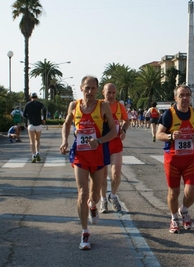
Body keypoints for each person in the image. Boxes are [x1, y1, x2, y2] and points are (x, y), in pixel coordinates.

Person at [59, 76, 116, 250]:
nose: (89, 92)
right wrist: (64, 140)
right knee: (82, 193)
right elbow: (67, 124)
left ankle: (93, 205)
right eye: (86, 88)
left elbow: (113, 131)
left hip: (98, 154)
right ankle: (84, 231)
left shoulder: (103, 106)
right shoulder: (74, 106)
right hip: (80, 155)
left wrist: (99, 141)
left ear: (97, 90)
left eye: (93, 88)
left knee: (95, 195)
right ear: (81, 88)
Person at [155, 85, 194, 234]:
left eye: (188, 95)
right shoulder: (169, 114)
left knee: (191, 192)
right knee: (174, 192)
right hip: (173, 161)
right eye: (181, 95)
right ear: (176, 98)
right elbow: (158, 134)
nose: (185, 98)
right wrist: (170, 137)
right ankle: (174, 218)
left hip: (190, 160)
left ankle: (184, 210)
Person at [99, 83, 129, 213]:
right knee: (102, 175)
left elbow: (127, 120)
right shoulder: (98, 105)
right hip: (101, 143)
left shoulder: (119, 106)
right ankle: (103, 199)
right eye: (108, 92)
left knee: (116, 173)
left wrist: (123, 130)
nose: (111, 95)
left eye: (113, 93)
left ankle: (113, 195)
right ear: (103, 93)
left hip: (115, 143)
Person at [23, 92, 46, 163]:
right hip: (38, 124)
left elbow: (24, 114)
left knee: (32, 141)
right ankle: (38, 153)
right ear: (37, 97)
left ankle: (33, 155)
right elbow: (44, 109)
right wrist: (44, 119)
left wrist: (29, 118)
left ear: (31, 97)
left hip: (31, 124)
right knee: (38, 140)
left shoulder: (28, 104)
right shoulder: (39, 104)